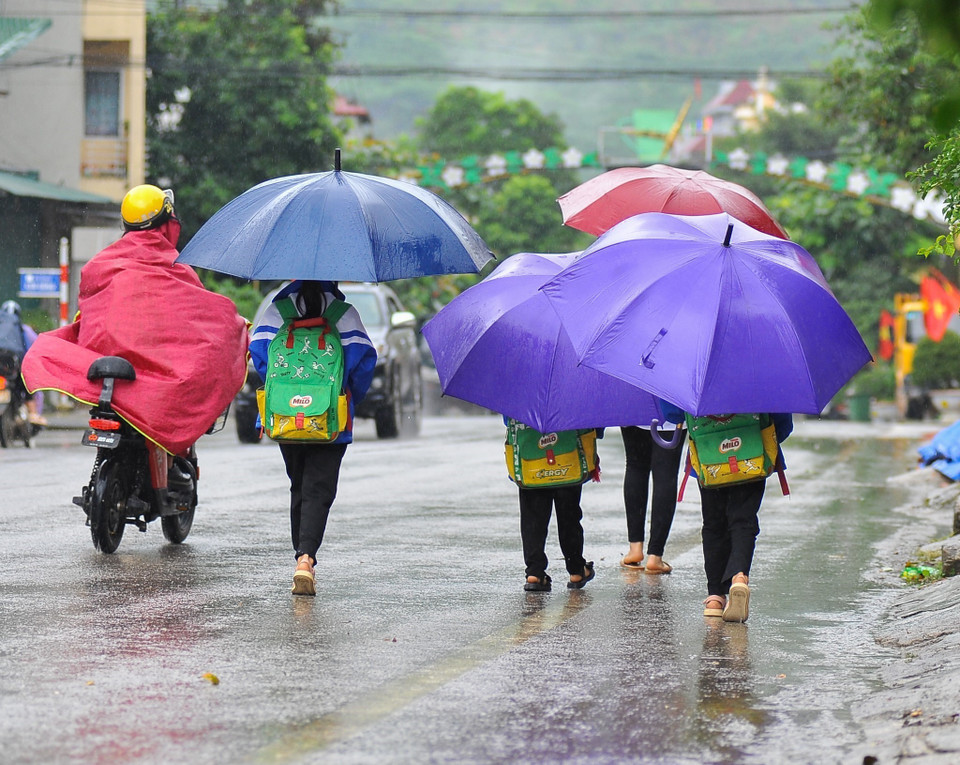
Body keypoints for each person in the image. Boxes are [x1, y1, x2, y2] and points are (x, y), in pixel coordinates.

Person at [20, 184, 249, 458]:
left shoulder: (99, 265)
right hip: (149, 389)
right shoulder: (178, 268)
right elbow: (202, 319)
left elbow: (91, 317)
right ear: (167, 223)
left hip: (107, 378)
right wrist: (234, 325)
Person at [250, 280, 376, 596]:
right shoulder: (345, 315)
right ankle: (306, 558)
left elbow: (260, 362)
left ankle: (301, 556)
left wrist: (290, 392)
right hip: (330, 418)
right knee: (319, 488)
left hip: (284, 416)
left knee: (299, 484)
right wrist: (346, 397)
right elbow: (364, 367)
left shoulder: (274, 313)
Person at [657, 402, 793, 622]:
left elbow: (672, 413)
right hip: (752, 451)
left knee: (713, 523)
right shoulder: (758, 372)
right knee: (744, 519)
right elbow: (783, 423)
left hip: (710, 456)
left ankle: (714, 597)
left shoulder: (694, 371)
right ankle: (739, 576)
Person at [504, 417, 600, 591]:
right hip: (569, 451)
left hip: (529, 449)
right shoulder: (574, 389)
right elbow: (591, 414)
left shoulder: (517, 390)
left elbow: (507, 418)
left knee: (532, 516)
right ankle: (576, 569)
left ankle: (534, 572)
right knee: (569, 513)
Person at [619, 422, 686, 574]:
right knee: (666, 473)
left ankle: (635, 548)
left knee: (635, 466)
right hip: (671, 408)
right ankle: (655, 555)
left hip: (635, 407)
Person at [0, 301, 47, 426]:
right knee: (26, 385)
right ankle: (33, 414)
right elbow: (36, 346)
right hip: (13, 364)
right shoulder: (23, 329)